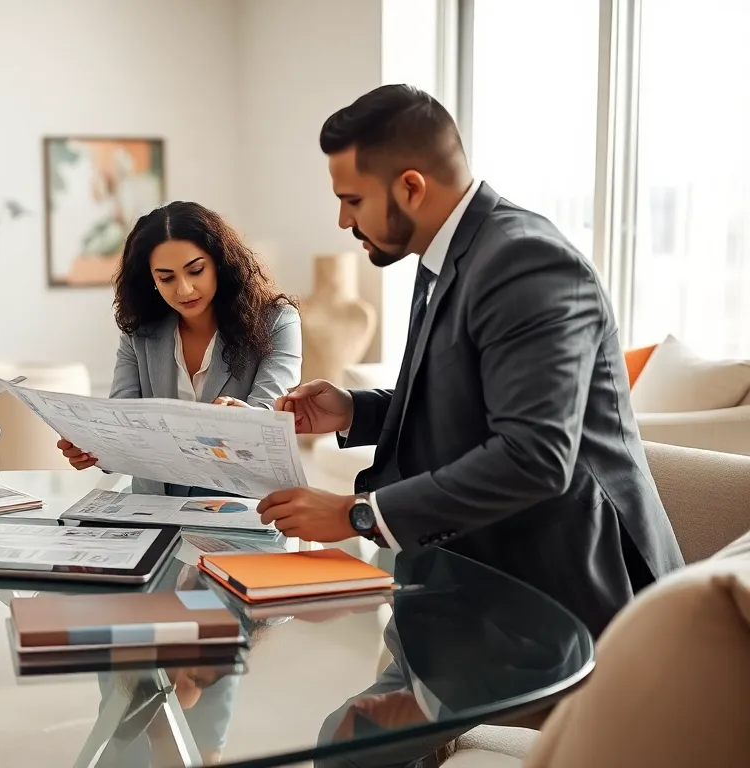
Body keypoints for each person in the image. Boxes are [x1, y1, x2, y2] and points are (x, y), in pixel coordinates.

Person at [260, 84, 683, 640]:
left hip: (567, 599)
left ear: (411, 186)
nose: (343, 220)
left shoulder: (527, 262)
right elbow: (466, 403)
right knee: (346, 723)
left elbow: (534, 456)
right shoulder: (443, 254)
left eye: (353, 200)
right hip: (473, 573)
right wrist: (352, 411)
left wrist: (357, 515)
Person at [55, 201, 302, 495]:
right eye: (166, 278)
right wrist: (94, 447)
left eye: (195, 270)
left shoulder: (277, 322)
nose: (183, 289)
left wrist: (243, 418)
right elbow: (122, 421)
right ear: (151, 280)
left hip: (238, 506)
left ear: (219, 263)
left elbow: (267, 421)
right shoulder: (141, 331)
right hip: (154, 508)